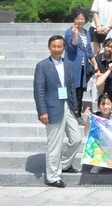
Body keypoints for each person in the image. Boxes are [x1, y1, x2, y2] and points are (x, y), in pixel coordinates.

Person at [33, 35, 82, 188]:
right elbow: (39, 90)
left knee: (77, 138)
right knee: (54, 144)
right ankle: (53, 176)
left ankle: (65, 164)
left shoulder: (67, 64)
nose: (57, 49)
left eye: (59, 46)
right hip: (52, 108)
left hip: (67, 106)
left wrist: (75, 106)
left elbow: (71, 86)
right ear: (49, 47)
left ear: (64, 47)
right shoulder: (42, 66)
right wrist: (42, 111)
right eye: (54, 46)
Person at [64, 9, 97, 123]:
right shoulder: (70, 32)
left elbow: (88, 50)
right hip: (73, 65)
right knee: (73, 88)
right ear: (74, 20)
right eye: (77, 18)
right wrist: (76, 34)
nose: (80, 21)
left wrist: (95, 63)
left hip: (83, 66)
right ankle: (74, 113)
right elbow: (72, 46)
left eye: (82, 18)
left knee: (80, 90)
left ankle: (77, 111)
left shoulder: (87, 32)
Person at [83, 93, 112, 174]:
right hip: (100, 144)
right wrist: (88, 118)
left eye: (108, 104)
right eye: (103, 104)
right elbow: (86, 132)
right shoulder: (94, 116)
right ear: (98, 105)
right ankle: (99, 163)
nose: (105, 107)